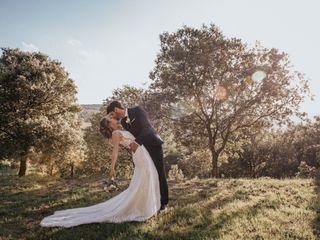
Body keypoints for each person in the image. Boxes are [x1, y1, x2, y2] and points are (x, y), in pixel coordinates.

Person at [40, 114, 161, 228]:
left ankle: (144, 205)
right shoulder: (116, 133)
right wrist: (112, 168)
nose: (114, 118)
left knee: (145, 179)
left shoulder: (120, 129)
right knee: (144, 179)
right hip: (140, 156)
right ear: (109, 124)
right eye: (111, 118)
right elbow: (115, 153)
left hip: (142, 153)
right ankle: (141, 207)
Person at [106, 101, 169, 211]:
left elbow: (147, 129)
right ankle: (152, 200)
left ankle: (164, 203)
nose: (113, 116)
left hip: (153, 144)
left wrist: (136, 143)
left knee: (159, 173)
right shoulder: (124, 122)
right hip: (142, 150)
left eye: (112, 114)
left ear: (116, 110)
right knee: (149, 173)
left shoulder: (137, 110)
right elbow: (131, 136)